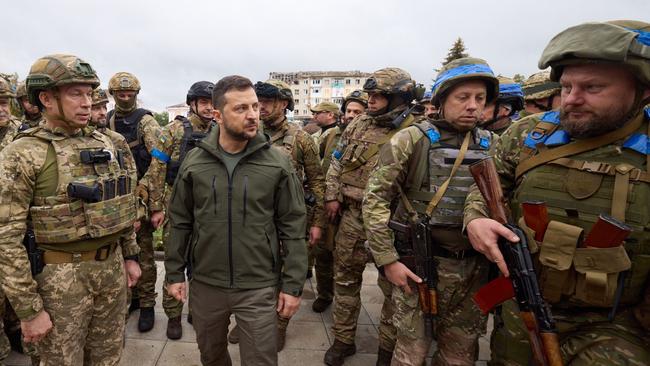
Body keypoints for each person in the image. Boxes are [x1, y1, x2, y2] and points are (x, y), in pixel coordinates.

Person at [464, 20, 650, 365]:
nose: (572, 99)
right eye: (566, 87)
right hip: (523, 307)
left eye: (593, 87)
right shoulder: (529, 135)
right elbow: (487, 188)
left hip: (617, 327)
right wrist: (476, 219)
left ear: (643, 89)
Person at [0, 53, 141, 366]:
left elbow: (124, 205)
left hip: (111, 272)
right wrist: (29, 310)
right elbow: (6, 238)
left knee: (108, 359)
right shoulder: (22, 154)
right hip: (59, 282)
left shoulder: (112, 143)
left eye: (89, 93)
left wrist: (130, 256)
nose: (87, 102)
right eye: (75, 93)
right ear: (47, 98)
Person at [363, 57, 498, 366]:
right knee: (411, 352)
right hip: (420, 266)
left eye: (480, 98)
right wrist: (388, 260)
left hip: (473, 271)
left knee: (460, 355)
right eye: (463, 98)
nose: (472, 106)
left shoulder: (494, 145)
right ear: (442, 99)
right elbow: (375, 200)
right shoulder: (410, 140)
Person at [165, 75, 307, 366]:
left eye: (254, 106)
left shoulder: (276, 162)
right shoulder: (195, 161)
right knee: (211, 355)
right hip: (206, 284)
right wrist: (175, 273)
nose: (253, 115)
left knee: (260, 360)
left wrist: (293, 286)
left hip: (258, 285)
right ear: (217, 115)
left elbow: (293, 227)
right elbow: (179, 222)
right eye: (241, 108)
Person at [324, 68, 420, 365]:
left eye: (380, 96)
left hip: (392, 223)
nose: (372, 101)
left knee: (394, 292)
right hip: (352, 217)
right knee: (345, 281)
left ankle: (386, 350)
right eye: (371, 95)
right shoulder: (358, 124)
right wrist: (331, 194)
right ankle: (343, 339)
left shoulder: (416, 132)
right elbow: (337, 161)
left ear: (400, 98)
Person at [237, 78, 324, 350]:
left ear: (284, 104)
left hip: (288, 221)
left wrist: (318, 222)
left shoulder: (302, 139)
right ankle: (245, 323)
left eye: (266, 102)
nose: (259, 108)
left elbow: (318, 182)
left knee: (286, 275)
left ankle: (278, 326)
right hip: (252, 220)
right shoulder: (245, 133)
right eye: (255, 102)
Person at [147, 80, 216, 339]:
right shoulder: (171, 131)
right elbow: (157, 170)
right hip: (175, 205)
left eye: (213, 103)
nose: (210, 108)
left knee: (202, 265)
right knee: (175, 261)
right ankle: (173, 315)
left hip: (208, 207)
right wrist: (156, 207)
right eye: (205, 102)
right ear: (193, 103)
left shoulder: (220, 132)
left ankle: (195, 310)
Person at [107, 72, 164, 332]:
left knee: (145, 254)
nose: (125, 98)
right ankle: (133, 299)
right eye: (121, 94)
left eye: (130, 94)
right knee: (121, 254)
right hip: (117, 197)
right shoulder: (108, 120)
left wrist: (152, 201)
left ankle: (148, 304)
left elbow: (159, 159)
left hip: (140, 196)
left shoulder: (146, 122)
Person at [310, 92, 368, 314]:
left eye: (357, 112)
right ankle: (325, 294)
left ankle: (346, 299)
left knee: (349, 259)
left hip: (356, 209)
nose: (351, 116)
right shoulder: (331, 135)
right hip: (328, 204)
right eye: (349, 111)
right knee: (323, 252)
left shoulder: (373, 137)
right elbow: (322, 165)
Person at [0, 75, 22, 366]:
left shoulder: (23, 134)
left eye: (4, 102)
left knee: (16, 284)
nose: (1, 108)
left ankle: (16, 330)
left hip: (16, 225)